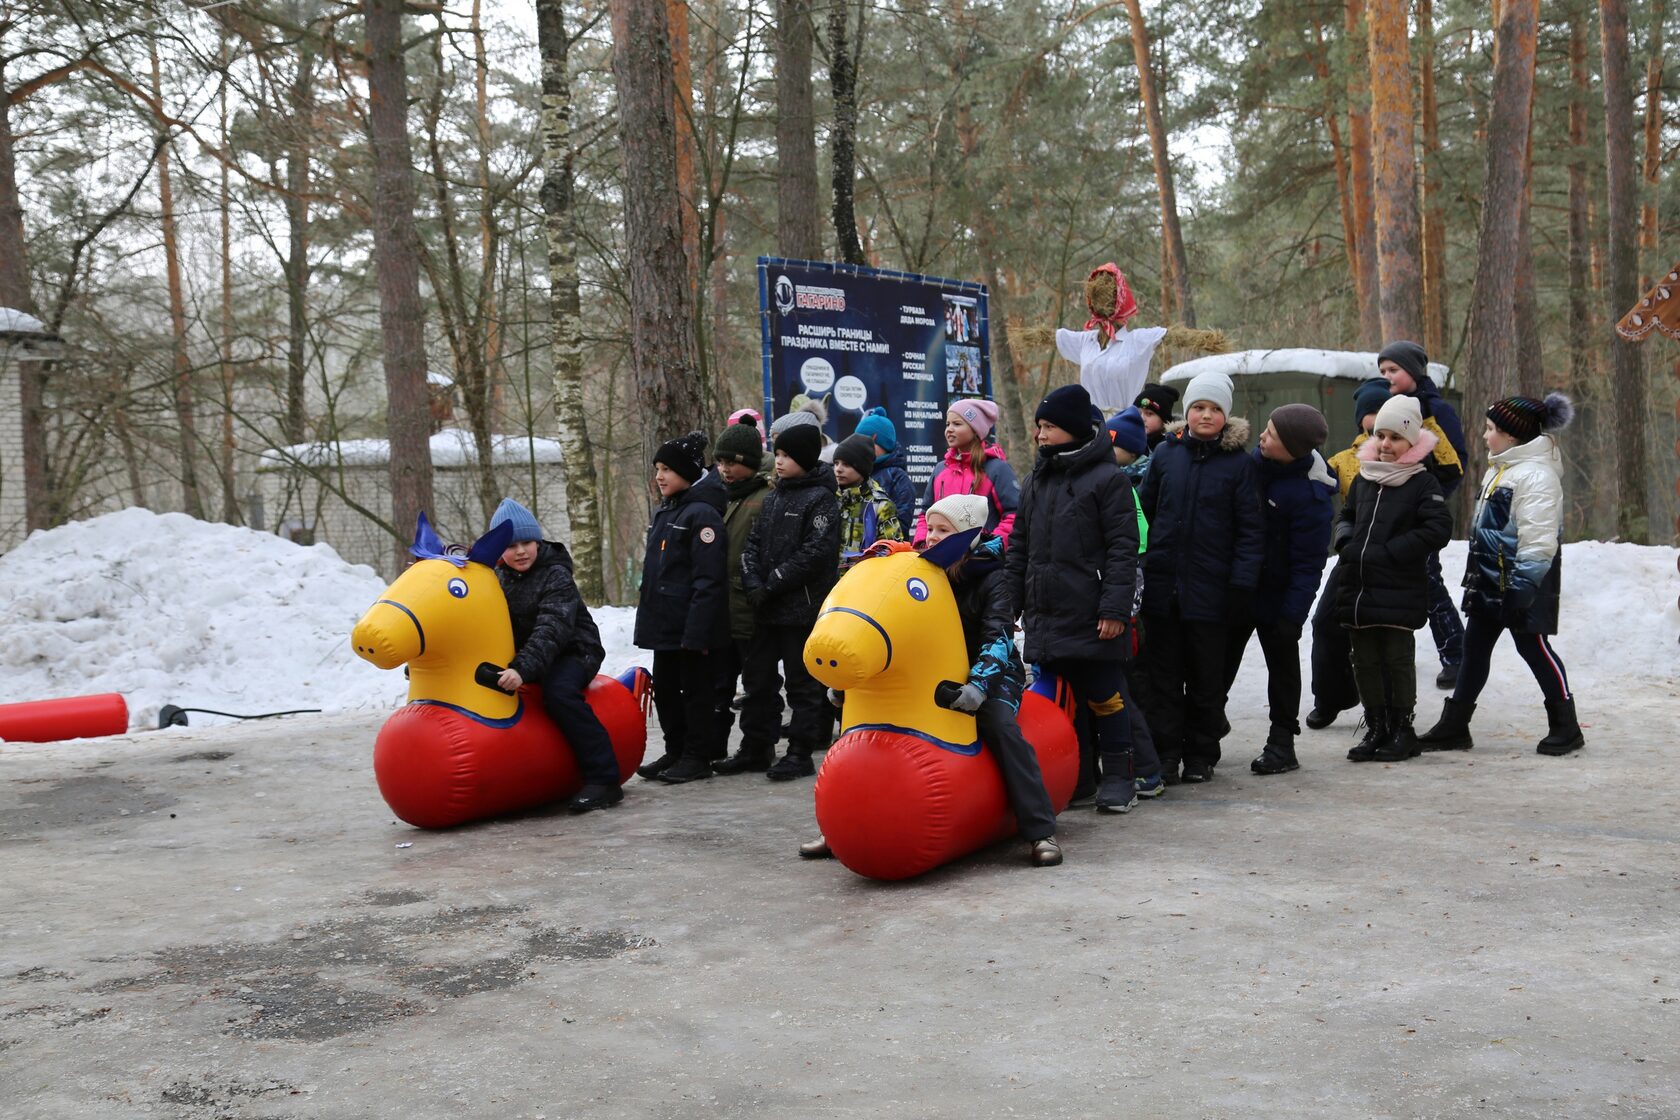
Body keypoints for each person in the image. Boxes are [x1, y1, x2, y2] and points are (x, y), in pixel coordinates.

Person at [800, 494, 1064, 867]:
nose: (934, 537)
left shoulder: (993, 578)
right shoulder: (923, 569)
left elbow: (999, 636)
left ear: (970, 534)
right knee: (857, 726)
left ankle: (1039, 830)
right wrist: (851, 682)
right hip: (931, 673)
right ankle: (836, 830)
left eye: (945, 530)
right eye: (931, 528)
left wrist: (979, 686)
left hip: (988, 673)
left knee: (999, 726)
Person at [1005, 382, 1148, 813]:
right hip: (1047, 613)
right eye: (1038, 426)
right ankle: (1078, 779)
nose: (1040, 434)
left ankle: (1120, 779)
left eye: (1049, 426)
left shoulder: (1108, 481)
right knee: (1058, 700)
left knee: (1105, 697)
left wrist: (1114, 609)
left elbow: (1124, 551)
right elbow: (1019, 547)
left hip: (1093, 612)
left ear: (1072, 428)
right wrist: (1010, 603)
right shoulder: (1035, 481)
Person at [1417, 394, 1584, 757]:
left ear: (1512, 436)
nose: (1484, 435)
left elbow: (1539, 542)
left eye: (1491, 429)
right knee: (1475, 648)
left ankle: (1566, 725)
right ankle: (1455, 726)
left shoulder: (1536, 476)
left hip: (1524, 583)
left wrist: (1522, 589)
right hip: (1490, 578)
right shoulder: (1503, 468)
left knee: (1533, 647)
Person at [1137, 369, 1264, 784]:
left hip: (1212, 592)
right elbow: (1145, 512)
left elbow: (1250, 531)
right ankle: (1167, 751)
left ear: (1225, 415)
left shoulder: (1239, 466)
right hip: (1163, 587)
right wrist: (1143, 562)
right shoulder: (1166, 456)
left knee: (1207, 678)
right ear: (1186, 412)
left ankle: (1201, 753)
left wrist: (1242, 584)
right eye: (1197, 407)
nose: (1205, 415)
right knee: (1164, 678)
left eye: (1213, 409)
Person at [1332, 395, 1453, 763]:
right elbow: (1347, 515)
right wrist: (1344, 540)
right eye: (1380, 435)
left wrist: (1391, 552)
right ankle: (1377, 726)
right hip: (1358, 586)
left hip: (1398, 586)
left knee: (1396, 659)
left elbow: (1438, 528)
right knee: (1364, 659)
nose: (1386, 444)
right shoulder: (1365, 478)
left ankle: (1403, 728)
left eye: (1395, 438)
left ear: (1413, 442)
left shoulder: (1422, 482)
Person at [1221, 404, 1336, 774]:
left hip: (1280, 596)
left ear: (1292, 448)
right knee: (1217, 666)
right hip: (1239, 588)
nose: (1261, 437)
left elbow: (1309, 564)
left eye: (1270, 434)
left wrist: (1293, 614)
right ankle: (1204, 729)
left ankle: (1282, 741)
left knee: (1282, 669)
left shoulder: (1312, 496)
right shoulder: (1250, 466)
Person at [488, 497, 620, 813]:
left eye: (527, 542)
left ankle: (604, 779)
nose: (520, 551)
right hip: (532, 653)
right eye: (510, 545)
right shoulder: (497, 578)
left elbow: (553, 628)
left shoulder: (555, 575)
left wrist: (522, 668)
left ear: (538, 541)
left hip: (574, 650)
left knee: (559, 693)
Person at [740, 422, 842, 780]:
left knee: (803, 684)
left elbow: (814, 554)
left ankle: (800, 751)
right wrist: (753, 581)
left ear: (804, 458)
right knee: (757, 679)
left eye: (786, 456)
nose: (778, 462)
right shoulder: (774, 497)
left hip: (800, 609)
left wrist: (774, 583)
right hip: (766, 606)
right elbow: (752, 545)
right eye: (777, 454)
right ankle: (755, 746)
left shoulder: (822, 500)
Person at [632, 432, 729, 784]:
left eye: (667, 469)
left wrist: (697, 630)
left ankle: (697, 755)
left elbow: (708, 579)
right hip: (665, 625)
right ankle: (676, 749)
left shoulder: (702, 514)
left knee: (695, 693)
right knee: (668, 691)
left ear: (687, 472)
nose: (659, 476)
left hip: (691, 627)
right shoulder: (667, 510)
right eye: (657, 468)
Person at [1378, 341, 1467, 689]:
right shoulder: (1386, 405)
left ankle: (1457, 656)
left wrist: (1430, 500)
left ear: (1413, 372)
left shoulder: (1435, 410)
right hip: (1386, 510)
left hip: (1420, 513)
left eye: (1393, 370)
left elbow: (1454, 464)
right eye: (1382, 371)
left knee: (1428, 583)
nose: (1386, 376)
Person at [1306, 377, 1391, 730]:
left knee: (1384, 633)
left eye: (1380, 411)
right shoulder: (1342, 460)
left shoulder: (1414, 455)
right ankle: (1332, 696)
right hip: (1352, 555)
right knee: (1325, 622)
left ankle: (1389, 709)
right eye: (1368, 413)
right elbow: (1319, 492)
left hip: (1393, 560)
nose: (1373, 420)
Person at [710, 418, 780, 775]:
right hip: (725, 605)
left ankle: (758, 746)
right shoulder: (725, 495)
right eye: (720, 462)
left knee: (759, 682)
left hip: (752, 605)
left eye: (731, 462)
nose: (724, 469)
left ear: (750, 461)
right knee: (727, 680)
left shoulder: (765, 496)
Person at [912, 398, 1019, 546]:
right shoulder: (940, 469)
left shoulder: (997, 469)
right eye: (947, 424)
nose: (949, 429)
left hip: (982, 564)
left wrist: (989, 547)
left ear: (976, 430)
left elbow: (1014, 515)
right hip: (940, 560)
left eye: (957, 424)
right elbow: (925, 514)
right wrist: (922, 543)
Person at [832, 433, 905, 568]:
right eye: (836, 463)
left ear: (862, 467)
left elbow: (893, 551)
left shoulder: (881, 505)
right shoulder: (830, 497)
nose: (838, 469)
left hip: (863, 582)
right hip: (830, 585)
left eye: (846, 464)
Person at [853, 406, 917, 535]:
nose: (859, 449)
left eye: (863, 443)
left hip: (883, 552)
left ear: (877, 440)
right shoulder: (854, 473)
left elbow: (900, 527)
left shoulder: (898, 478)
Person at [1104, 406, 1152, 484]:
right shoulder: (1104, 470)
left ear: (1133, 451)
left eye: (1112, 446)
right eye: (1105, 444)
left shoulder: (1146, 479)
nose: (1106, 449)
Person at [1133, 382, 1180, 452]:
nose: (1142, 418)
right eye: (1138, 413)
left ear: (1164, 419)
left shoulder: (1174, 446)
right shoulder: (1130, 442)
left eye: (1149, 414)